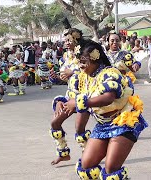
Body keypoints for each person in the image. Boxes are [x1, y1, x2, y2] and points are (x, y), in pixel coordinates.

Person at [62, 40, 148, 180]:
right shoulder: (83, 79)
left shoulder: (109, 73)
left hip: (123, 122)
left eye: (84, 62)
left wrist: (79, 102)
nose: (80, 66)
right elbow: (80, 108)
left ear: (95, 58)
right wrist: (66, 108)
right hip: (102, 125)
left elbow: (108, 97)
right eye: (79, 62)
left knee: (111, 170)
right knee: (86, 166)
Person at [50, 28, 85, 165]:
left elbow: (91, 69)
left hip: (84, 97)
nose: (66, 43)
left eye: (69, 40)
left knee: (79, 129)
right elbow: (65, 79)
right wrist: (55, 78)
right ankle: (63, 153)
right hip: (69, 96)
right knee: (55, 123)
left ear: (76, 39)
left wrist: (73, 71)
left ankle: (87, 156)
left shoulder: (85, 53)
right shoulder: (65, 56)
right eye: (65, 41)